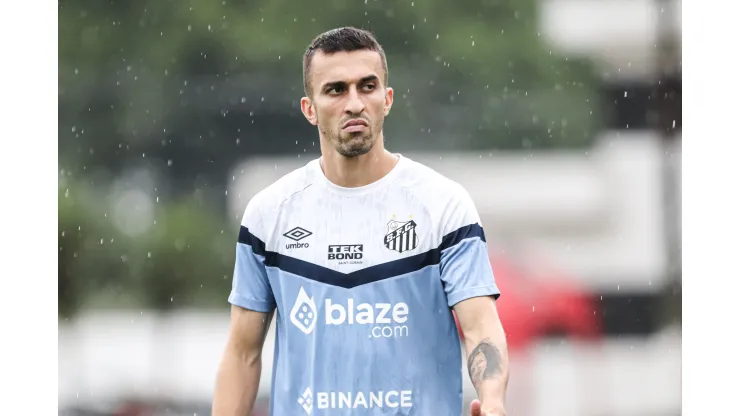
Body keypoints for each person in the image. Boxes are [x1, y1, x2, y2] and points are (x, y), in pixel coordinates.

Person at [212, 27, 509, 416]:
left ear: (386, 100)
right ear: (309, 109)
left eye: (367, 87)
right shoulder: (269, 214)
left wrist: (493, 401)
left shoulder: (443, 206)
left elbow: (481, 329)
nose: (354, 103)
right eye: (336, 90)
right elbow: (242, 353)